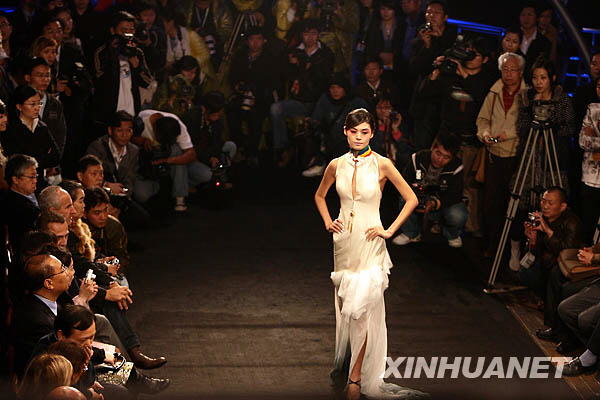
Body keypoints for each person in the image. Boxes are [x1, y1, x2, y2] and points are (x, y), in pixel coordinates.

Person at [314, 108, 425, 399]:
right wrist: (328, 221)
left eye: (365, 132)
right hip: (344, 243)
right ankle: (348, 364)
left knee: (363, 309)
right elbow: (319, 195)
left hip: (370, 240)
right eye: (354, 131)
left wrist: (389, 231)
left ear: (372, 133)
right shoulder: (336, 164)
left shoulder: (383, 164)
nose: (359, 136)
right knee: (348, 309)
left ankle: (356, 375)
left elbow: (412, 198)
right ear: (346, 132)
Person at [476, 52, 527, 256]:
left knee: (515, 204)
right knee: (492, 204)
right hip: (494, 154)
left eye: (512, 69)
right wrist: (485, 134)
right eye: (504, 69)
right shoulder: (494, 91)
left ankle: (514, 248)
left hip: (517, 156)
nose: (508, 73)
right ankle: (493, 246)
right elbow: (482, 120)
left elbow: (529, 124)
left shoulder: (527, 94)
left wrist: (510, 134)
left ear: (521, 72)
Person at [392, 134, 467, 248]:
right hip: (418, 196)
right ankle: (411, 233)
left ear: (452, 158)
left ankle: (451, 234)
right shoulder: (417, 158)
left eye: (446, 157)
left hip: (442, 200)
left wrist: (434, 203)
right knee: (404, 198)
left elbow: (455, 195)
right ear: (433, 148)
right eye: (438, 153)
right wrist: (415, 198)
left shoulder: (457, 167)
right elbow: (404, 182)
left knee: (457, 214)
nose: (439, 159)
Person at [23, 57, 68, 157]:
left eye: (47, 75)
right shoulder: (18, 100)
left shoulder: (55, 104)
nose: (45, 79)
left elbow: (60, 135)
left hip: (49, 163)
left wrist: (55, 159)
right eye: (40, 75)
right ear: (28, 77)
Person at [1, 154, 40, 256]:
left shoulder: (35, 197)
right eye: (31, 177)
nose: (35, 181)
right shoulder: (18, 208)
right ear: (15, 179)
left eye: (36, 176)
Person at [579, 93, 600, 245]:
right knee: (588, 225)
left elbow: (590, 141)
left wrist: (595, 137)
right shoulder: (592, 108)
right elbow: (583, 141)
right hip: (590, 177)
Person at [518, 3, 551, 73]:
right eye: (523, 15)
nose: (526, 18)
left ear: (537, 18)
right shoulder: (512, 36)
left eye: (530, 15)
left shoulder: (544, 42)